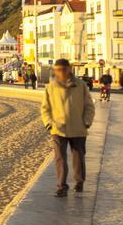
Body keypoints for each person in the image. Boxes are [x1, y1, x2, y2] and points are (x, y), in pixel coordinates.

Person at [41, 58, 96, 197]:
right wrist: (49, 123)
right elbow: (45, 109)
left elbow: (89, 106)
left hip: (78, 128)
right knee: (60, 158)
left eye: (63, 69)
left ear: (69, 69)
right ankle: (61, 186)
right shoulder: (51, 87)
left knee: (78, 157)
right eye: (57, 70)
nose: (60, 72)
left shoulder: (80, 85)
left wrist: (86, 122)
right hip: (58, 129)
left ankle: (79, 181)